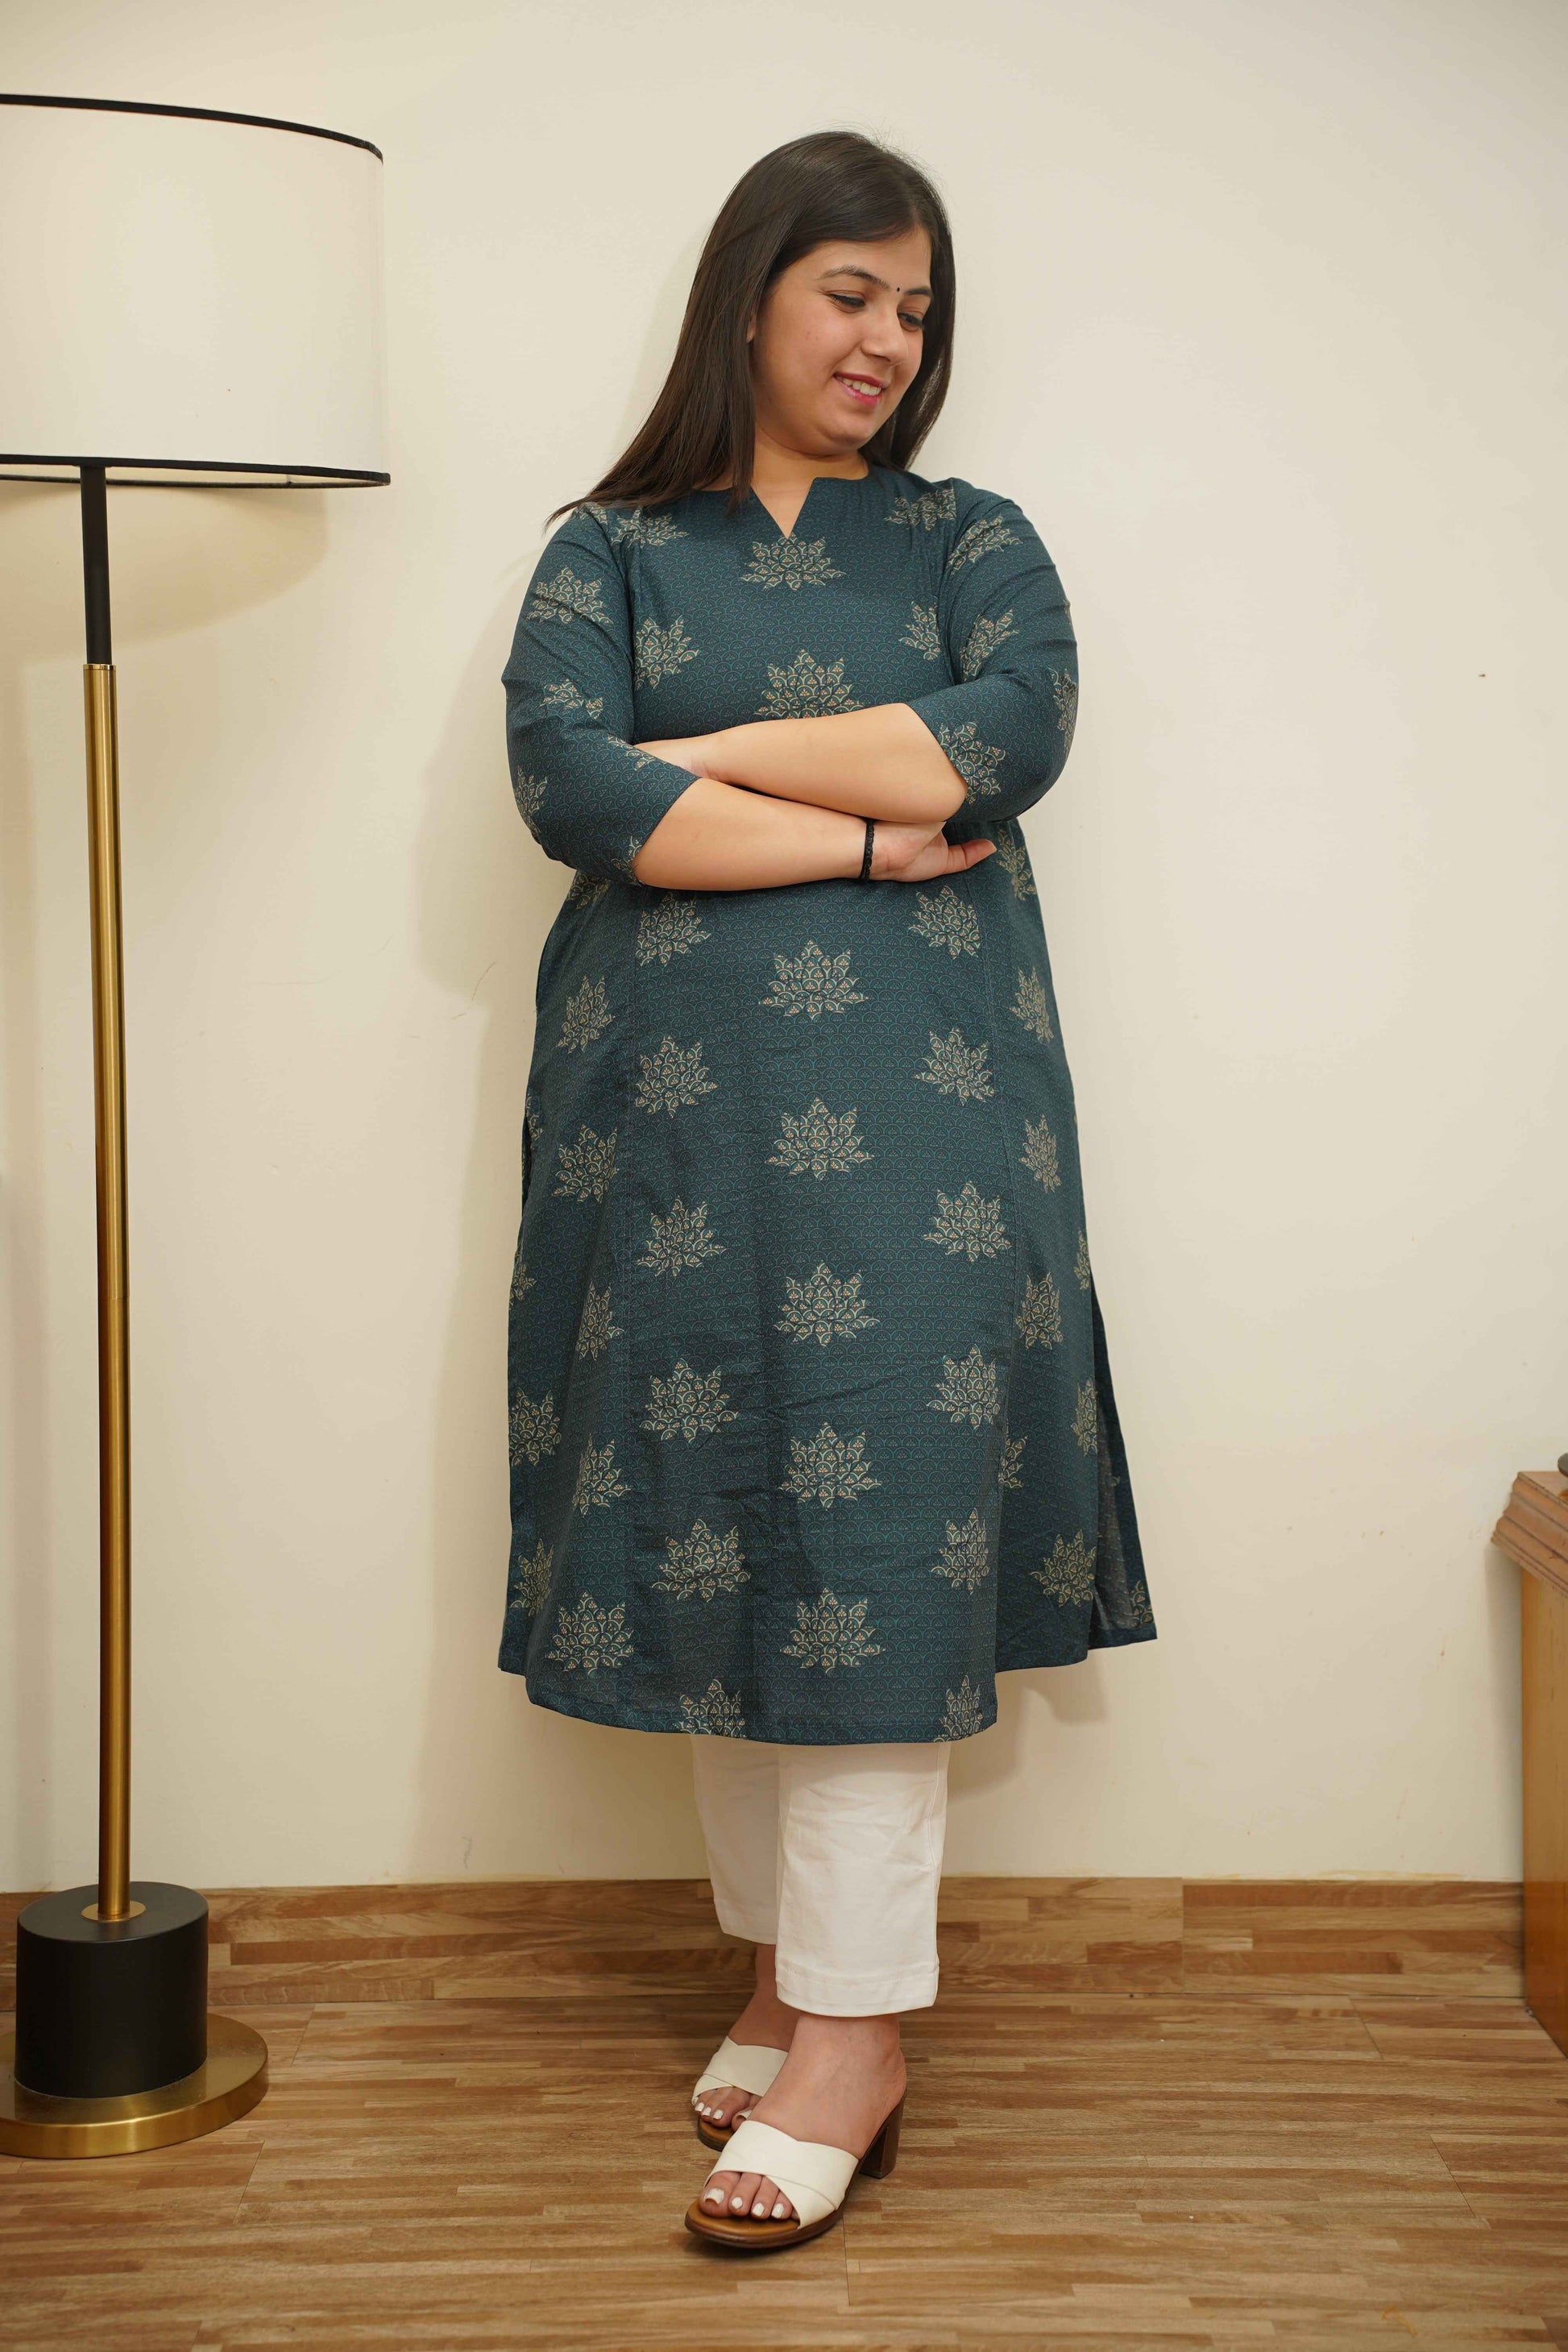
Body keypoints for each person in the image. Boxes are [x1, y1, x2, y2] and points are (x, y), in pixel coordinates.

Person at [498, 128, 1157, 2253]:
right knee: (722, 1514)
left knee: (878, 1522)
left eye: (917, 309)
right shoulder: (609, 547)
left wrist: (693, 758)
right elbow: (566, 782)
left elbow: (997, 744)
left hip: (925, 1114)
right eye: (851, 293)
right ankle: (788, 1980)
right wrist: (862, 831)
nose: (888, 340)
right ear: (752, 295)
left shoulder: (975, 539)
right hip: (668, 1123)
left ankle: (861, 2036)